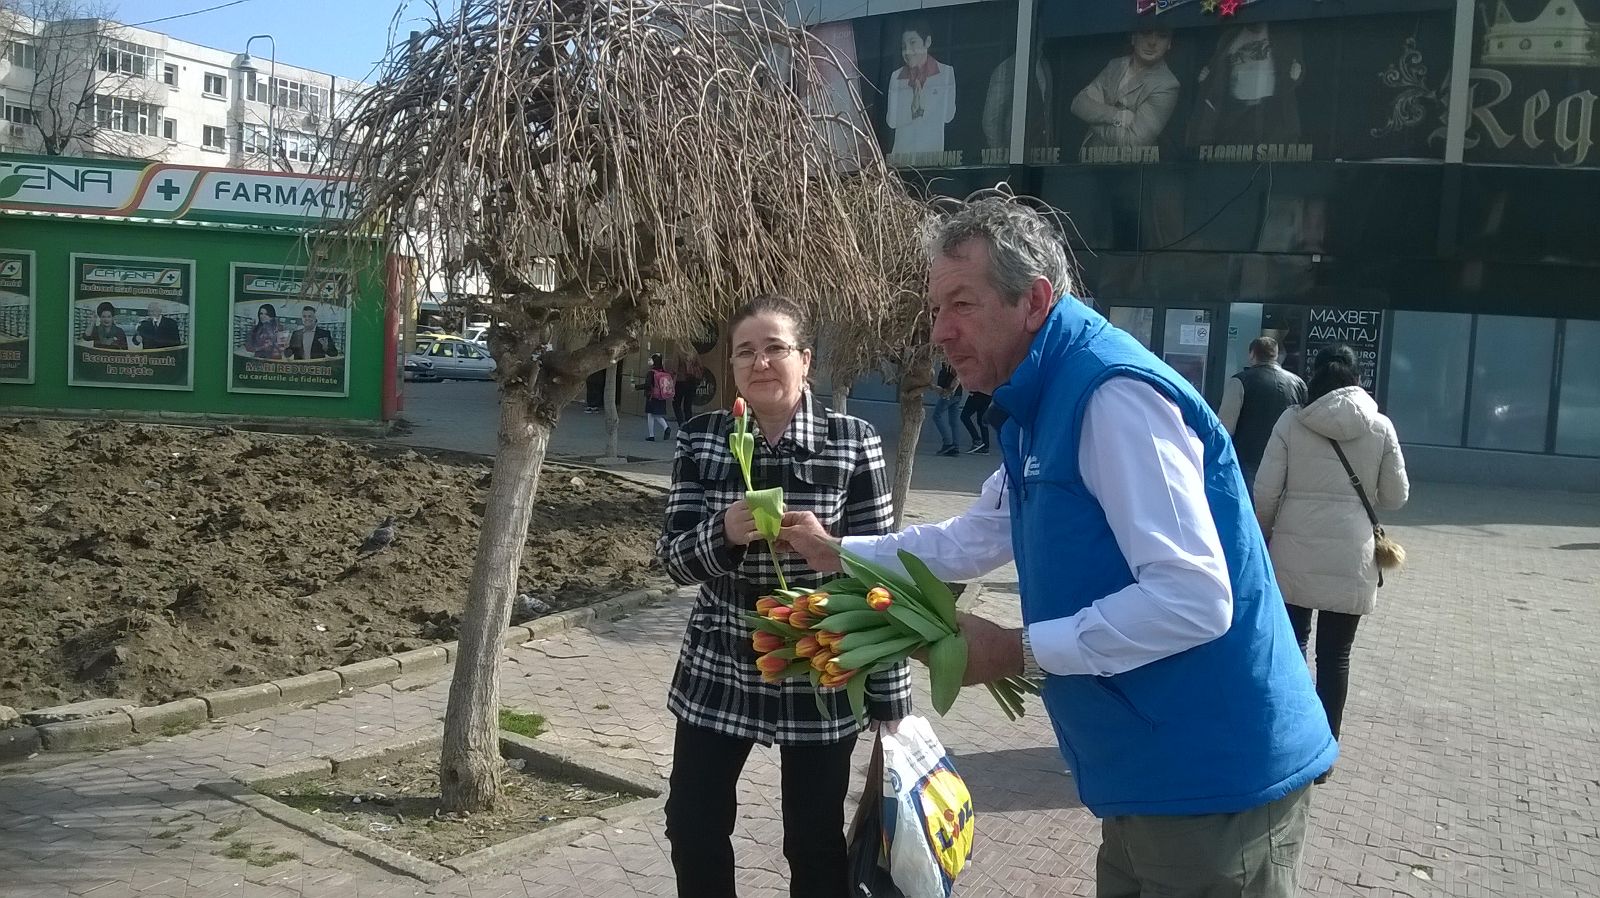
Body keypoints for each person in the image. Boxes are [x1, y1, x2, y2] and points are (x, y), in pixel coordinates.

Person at [781, 197, 1334, 898]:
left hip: (1213, 779)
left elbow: (1193, 598)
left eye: (962, 305)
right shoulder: (1039, 397)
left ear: (1035, 301)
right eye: (936, 308)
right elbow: (978, 533)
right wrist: (840, 553)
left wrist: (1016, 651)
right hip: (1148, 772)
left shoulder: (1110, 395)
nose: (940, 331)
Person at [657, 294, 911, 898]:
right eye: (745, 351)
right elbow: (672, 559)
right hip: (721, 665)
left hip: (820, 668)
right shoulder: (703, 439)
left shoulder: (852, 441)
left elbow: (883, 578)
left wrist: (891, 699)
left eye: (775, 348)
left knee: (814, 838)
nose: (760, 362)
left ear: (806, 360)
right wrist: (723, 532)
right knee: (692, 823)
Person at [1254, 344, 1409, 782]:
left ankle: (1290, 745)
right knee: (1336, 657)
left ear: (1315, 375)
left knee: (1291, 650)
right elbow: (1396, 497)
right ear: (1357, 379)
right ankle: (1324, 756)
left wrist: (1264, 533)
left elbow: (1265, 490)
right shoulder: (1380, 425)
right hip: (1351, 556)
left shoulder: (1291, 421)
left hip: (1293, 551)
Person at [1188, 23, 1305, 147]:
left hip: (1272, 113)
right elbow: (1214, 70)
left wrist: (1297, 73)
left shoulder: (1283, 32)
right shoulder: (1230, 36)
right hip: (1236, 115)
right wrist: (1206, 79)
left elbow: (1297, 65)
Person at [1220, 336, 1308, 496]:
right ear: (1276, 355)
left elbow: (1226, 427)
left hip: (1248, 458)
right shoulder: (1298, 383)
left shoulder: (1240, 381)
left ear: (1252, 354)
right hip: (1284, 456)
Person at [1071, 28, 1180, 150]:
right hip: (1090, 155)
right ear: (1133, 38)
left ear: (1169, 43)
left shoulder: (1167, 84)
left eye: (1162, 36)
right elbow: (1078, 104)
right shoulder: (1116, 65)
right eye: (1145, 33)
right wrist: (1117, 115)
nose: (1152, 42)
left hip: (1126, 162)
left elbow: (1131, 143)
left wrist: (1091, 117)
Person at [886, 20, 956, 156]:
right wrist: (913, 111)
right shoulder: (896, 76)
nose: (907, 51)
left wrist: (923, 108)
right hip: (901, 158)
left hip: (931, 158)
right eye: (903, 46)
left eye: (912, 43)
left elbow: (948, 116)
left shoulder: (946, 72)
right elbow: (891, 122)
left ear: (927, 42)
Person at [638, 352, 674, 441]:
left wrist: (636, 387)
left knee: (651, 414)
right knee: (656, 414)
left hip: (652, 396)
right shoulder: (663, 372)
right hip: (661, 396)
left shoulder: (651, 372)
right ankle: (666, 428)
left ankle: (652, 435)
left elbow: (647, 385)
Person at [931, 361, 964, 457]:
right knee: (954, 421)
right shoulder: (954, 361)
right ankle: (955, 446)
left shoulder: (950, 362)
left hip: (949, 394)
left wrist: (950, 391)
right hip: (957, 394)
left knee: (936, 416)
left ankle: (948, 443)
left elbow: (957, 378)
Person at [672, 350, 704, 425]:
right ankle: (689, 426)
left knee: (676, 404)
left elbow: (674, 369)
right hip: (692, 381)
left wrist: (672, 385)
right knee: (688, 406)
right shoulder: (693, 350)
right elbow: (700, 365)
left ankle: (682, 425)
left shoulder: (678, 350)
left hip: (680, 381)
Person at [960, 389, 991, 454]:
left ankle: (977, 440)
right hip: (988, 395)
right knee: (981, 421)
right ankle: (985, 447)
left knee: (964, 416)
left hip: (977, 394)